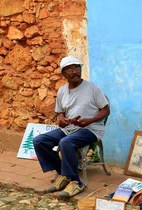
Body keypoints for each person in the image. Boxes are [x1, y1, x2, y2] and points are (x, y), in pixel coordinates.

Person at [33, 56, 110, 200]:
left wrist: (90, 120)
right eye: (70, 69)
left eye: (77, 68)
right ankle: (64, 174)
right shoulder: (62, 91)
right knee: (40, 141)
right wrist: (62, 120)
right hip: (69, 129)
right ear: (63, 74)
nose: (74, 71)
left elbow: (106, 110)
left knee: (66, 142)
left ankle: (76, 182)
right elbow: (60, 112)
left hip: (91, 129)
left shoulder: (92, 88)